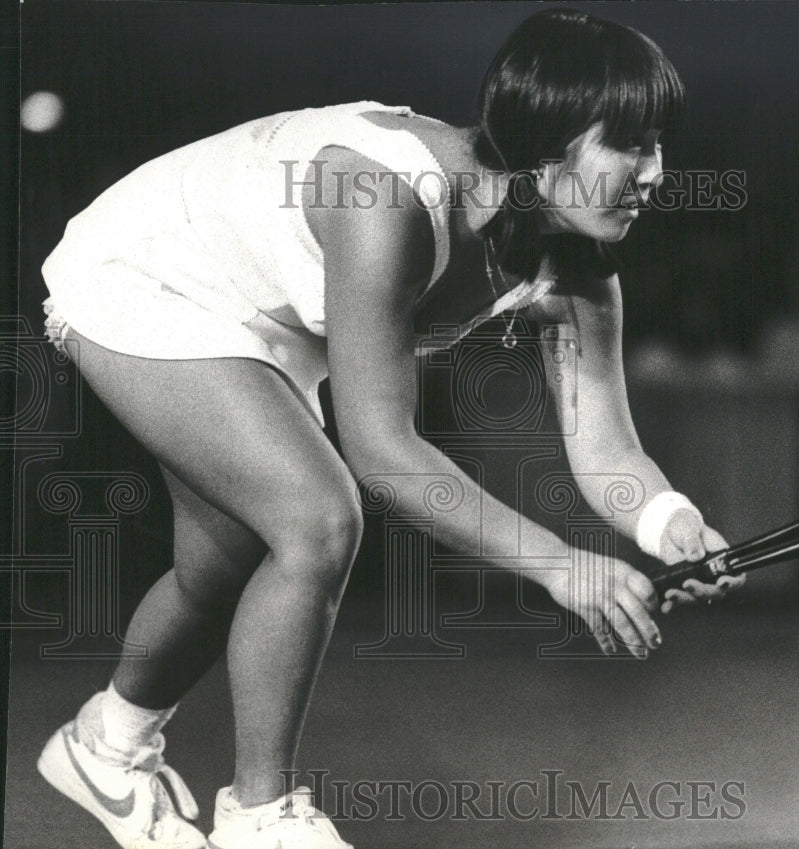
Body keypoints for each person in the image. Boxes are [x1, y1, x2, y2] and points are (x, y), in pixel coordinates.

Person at [36, 9, 744, 849]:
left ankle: (104, 746)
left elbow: (608, 449)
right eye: (629, 143)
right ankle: (260, 816)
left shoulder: (583, 274)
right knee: (316, 517)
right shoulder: (386, 195)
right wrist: (560, 565)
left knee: (218, 563)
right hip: (150, 265)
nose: (656, 171)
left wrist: (669, 524)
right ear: (545, 139)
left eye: (660, 144)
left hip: (270, 317)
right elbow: (381, 450)